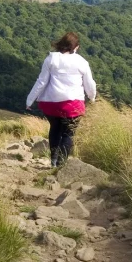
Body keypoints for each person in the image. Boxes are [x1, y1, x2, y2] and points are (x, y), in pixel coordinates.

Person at [26, 32, 96, 168]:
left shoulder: (51, 59)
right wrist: (92, 97)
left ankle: (53, 160)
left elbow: (41, 81)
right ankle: (60, 164)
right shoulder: (81, 62)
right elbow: (90, 84)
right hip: (73, 105)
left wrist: (30, 100)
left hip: (51, 104)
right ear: (76, 47)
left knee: (55, 129)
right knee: (68, 134)